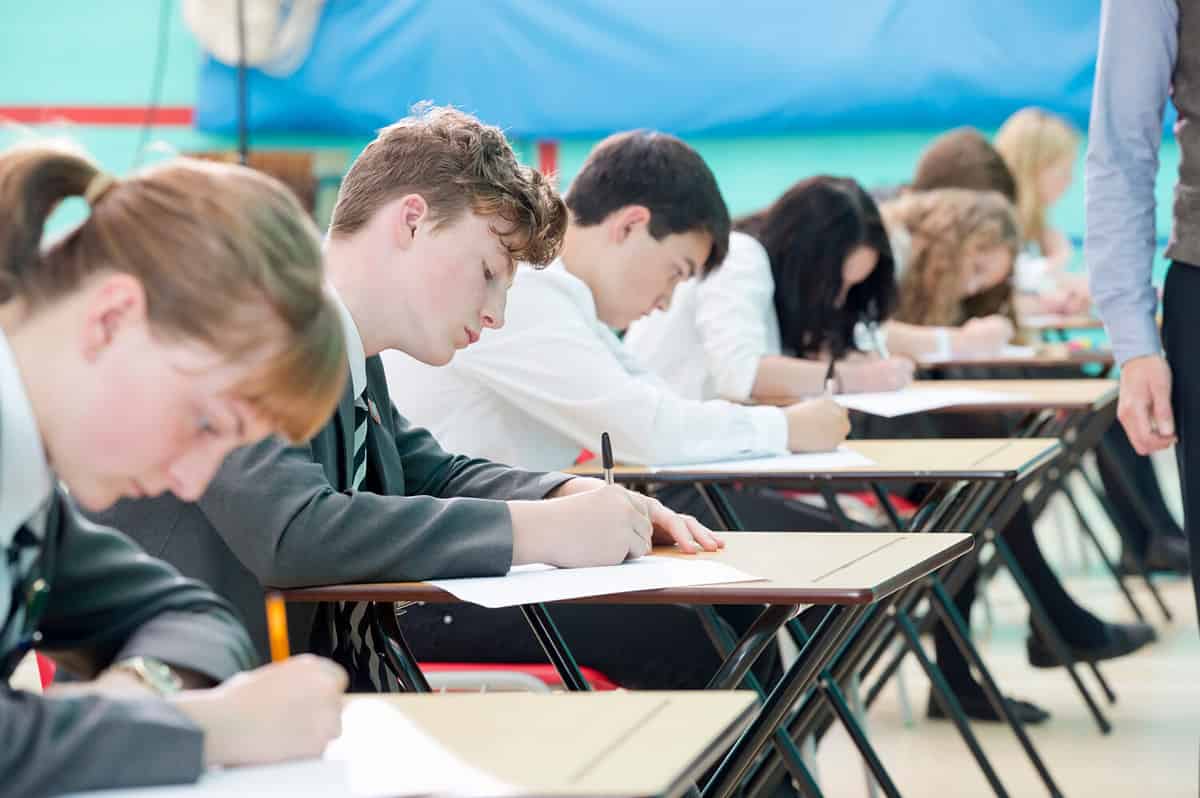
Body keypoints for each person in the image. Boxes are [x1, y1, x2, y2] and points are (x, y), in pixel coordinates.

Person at [89, 107, 719, 695]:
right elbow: (292, 532)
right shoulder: (248, 324)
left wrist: (568, 495)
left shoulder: (349, 354)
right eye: (487, 273)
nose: (497, 313)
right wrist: (536, 530)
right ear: (411, 221)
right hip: (194, 703)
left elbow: (434, 471)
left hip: (307, 697)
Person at [381, 131, 849, 689]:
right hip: (440, 594)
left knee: (738, 619)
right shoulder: (527, 291)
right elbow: (646, 430)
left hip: (486, 569)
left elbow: (652, 406)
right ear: (629, 225)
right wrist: (787, 426)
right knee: (706, 640)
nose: (667, 301)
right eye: (675, 271)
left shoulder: (563, 300)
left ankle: (752, 780)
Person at [0, 142, 350, 795]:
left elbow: (190, 613)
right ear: (112, 318)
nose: (191, 482)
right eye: (206, 424)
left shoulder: (31, 494)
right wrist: (204, 727)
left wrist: (144, 693)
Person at [886, 187, 1156, 720]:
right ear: (959, 240)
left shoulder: (925, 269)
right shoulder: (893, 251)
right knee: (976, 475)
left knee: (980, 472)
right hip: (855, 435)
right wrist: (956, 342)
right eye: (978, 267)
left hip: (896, 432)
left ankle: (1023, 639)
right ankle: (1049, 623)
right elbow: (874, 341)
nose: (973, 284)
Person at [994, 107, 1091, 315]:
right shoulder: (995, 224)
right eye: (1063, 169)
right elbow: (995, 301)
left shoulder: (1035, 231)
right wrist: (1057, 262)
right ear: (1033, 169)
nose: (1069, 180)